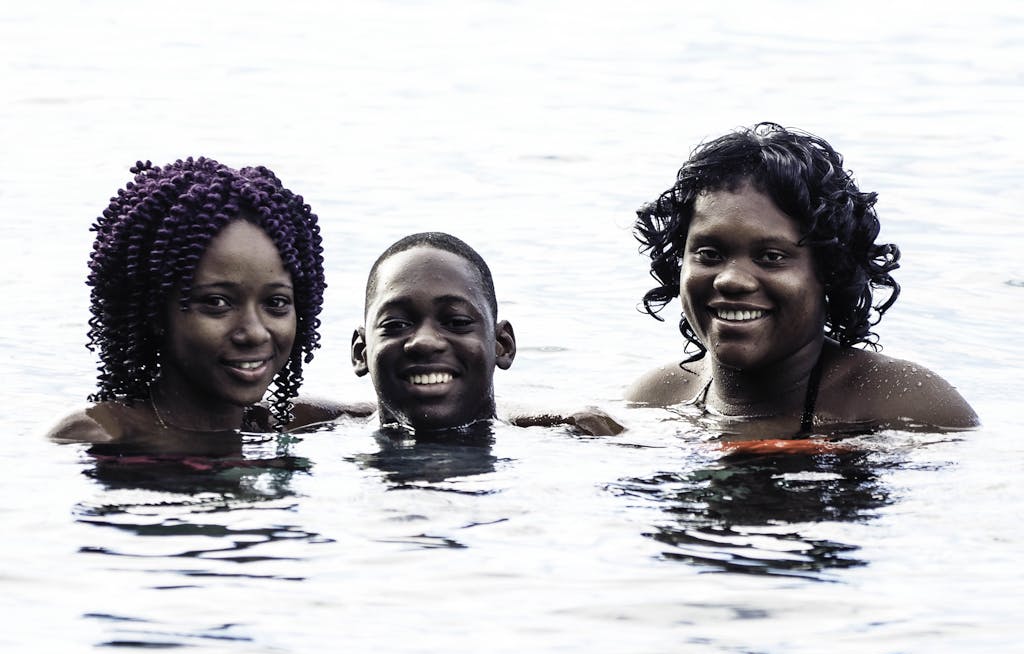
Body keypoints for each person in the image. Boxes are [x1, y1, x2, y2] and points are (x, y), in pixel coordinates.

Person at [625, 123, 978, 437]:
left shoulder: (908, 405)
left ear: (830, 270)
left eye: (771, 257)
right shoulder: (655, 400)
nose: (731, 280)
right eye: (709, 254)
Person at [49, 157, 333, 444]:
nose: (254, 332)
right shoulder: (101, 435)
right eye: (217, 302)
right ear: (155, 312)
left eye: (276, 303)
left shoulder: (286, 423)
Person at [350, 232, 622, 435]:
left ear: (502, 344)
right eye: (396, 324)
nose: (425, 341)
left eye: (456, 322)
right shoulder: (314, 424)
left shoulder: (580, 434)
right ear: (360, 352)